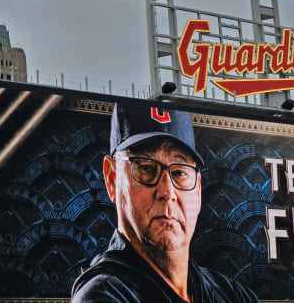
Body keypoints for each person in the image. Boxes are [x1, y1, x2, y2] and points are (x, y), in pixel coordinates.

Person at [71, 103, 259, 303]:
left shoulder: (235, 295)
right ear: (112, 178)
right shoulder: (104, 295)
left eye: (179, 172)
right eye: (147, 168)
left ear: (198, 189)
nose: (167, 192)